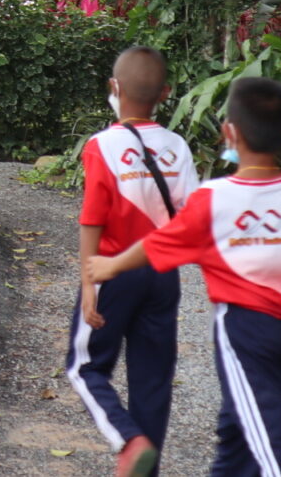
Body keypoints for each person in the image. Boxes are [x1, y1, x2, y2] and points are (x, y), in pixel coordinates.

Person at [87, 77, 281, 477]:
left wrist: (110, 266)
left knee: (273, 444)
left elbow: (157, 244)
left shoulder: (215, 200)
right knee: (238, 430)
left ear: (228, 132)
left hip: (244, 332)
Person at [66, 46, 198, 477]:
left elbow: (92, 219)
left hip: (112, 272)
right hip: (163, 275)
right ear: (165, 93)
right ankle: (147, 465)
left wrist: (89, 284)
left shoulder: (101, 145)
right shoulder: (177, 146)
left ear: (114, 88)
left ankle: (128, 439)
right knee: (153, 382)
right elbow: (189, 217)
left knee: (85, 367)